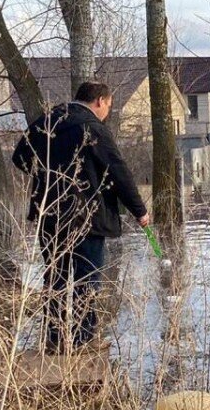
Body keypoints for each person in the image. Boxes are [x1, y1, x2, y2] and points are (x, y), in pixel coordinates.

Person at [12, 80, 149, 352]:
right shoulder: (93, 128)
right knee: (87, 279)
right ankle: (83, 341)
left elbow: (19, 158)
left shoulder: (46, 122)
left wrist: (48, 177)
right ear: (99, 101)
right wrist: (140, 211)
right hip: (87, 217)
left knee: (56, 277)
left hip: (49, 214)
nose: (107, 112)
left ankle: (54, 340)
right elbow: (118, 170)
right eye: (108, 106)